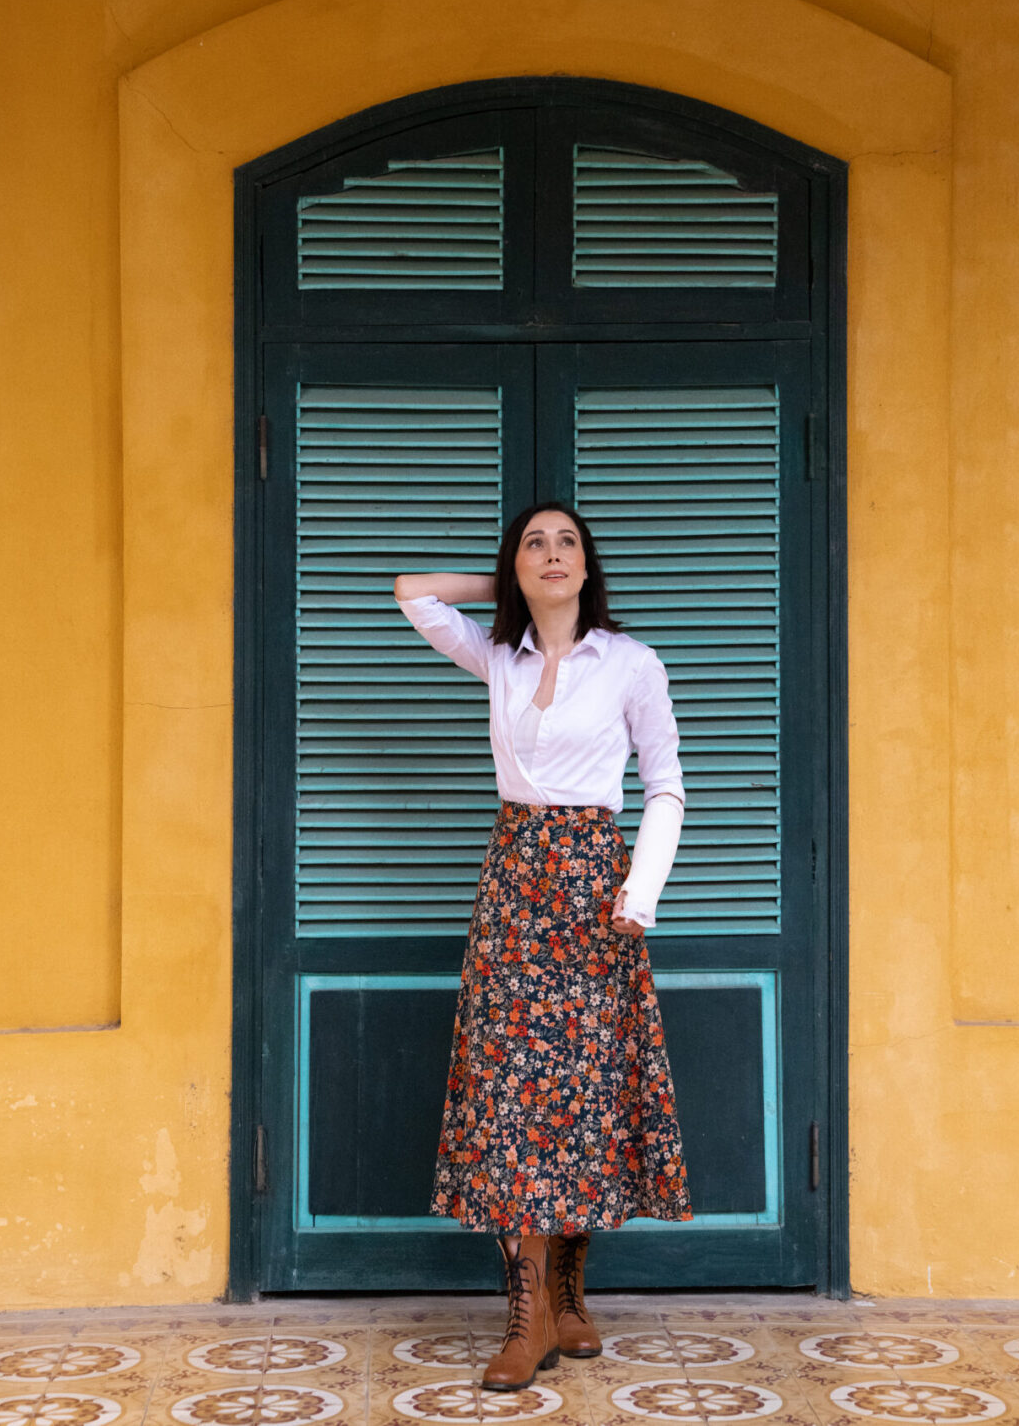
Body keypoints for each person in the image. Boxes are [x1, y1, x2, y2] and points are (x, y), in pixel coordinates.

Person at [393, 500, 693, 1392]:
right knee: (514, 1088)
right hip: (516, 884)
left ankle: (569, 1294)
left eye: (568, 544)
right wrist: (517, 586)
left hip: (598, 888)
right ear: (516, 565)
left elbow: (668, 785)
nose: (553, 555)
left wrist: (639, 892)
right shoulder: (497, 656)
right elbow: (412, 592)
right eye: (536, 545)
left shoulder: (632, 664)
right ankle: (523, 1315)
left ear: (591, 563)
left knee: (585, 1089)